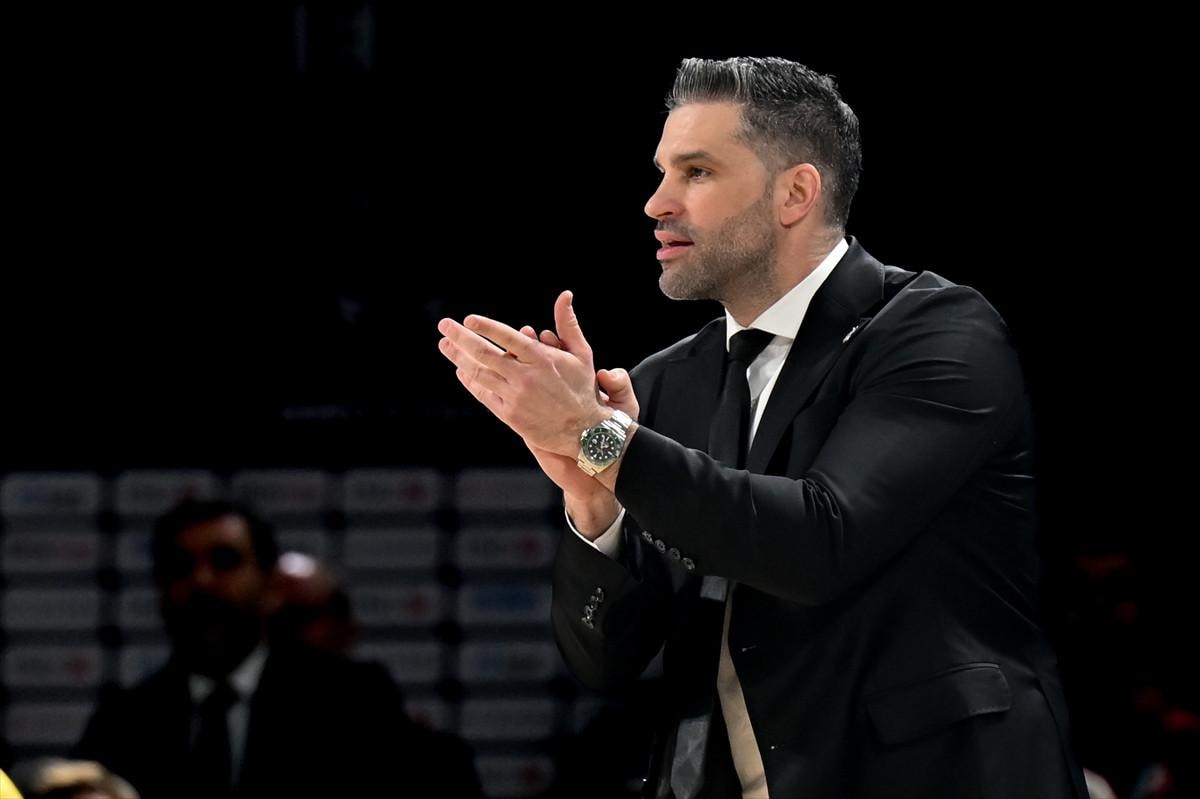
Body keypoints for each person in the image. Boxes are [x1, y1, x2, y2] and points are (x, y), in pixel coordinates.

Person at [438, 56, 1086, 797]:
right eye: (661, 173)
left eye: (697, 172)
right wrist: (591, 495)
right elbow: (604, 661)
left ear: (795, 193)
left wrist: (599, 440)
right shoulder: (665, 382)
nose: (655, 203)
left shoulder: (936, 332)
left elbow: (820, 539)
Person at [74, 499, 482, 799]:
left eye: (225, 561)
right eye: (181, 567)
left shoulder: (350, 699)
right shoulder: (123, 724)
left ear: (270, 584)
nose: (202, 582)